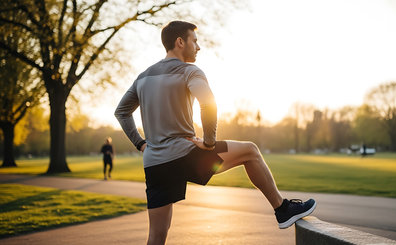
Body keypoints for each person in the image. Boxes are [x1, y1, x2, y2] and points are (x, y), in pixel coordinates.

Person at [115, 21, 316, 245]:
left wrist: (141, 144)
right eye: (195, 41)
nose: (198, 47)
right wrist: (209, 143)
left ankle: (283, 209)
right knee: (250, 150)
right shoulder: (189, 70)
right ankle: (282, 209)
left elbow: (121, 112)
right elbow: (208, 104)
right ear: (180, 42)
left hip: (154, 163)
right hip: (185, 155)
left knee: (157, 235)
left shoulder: (143, 77)